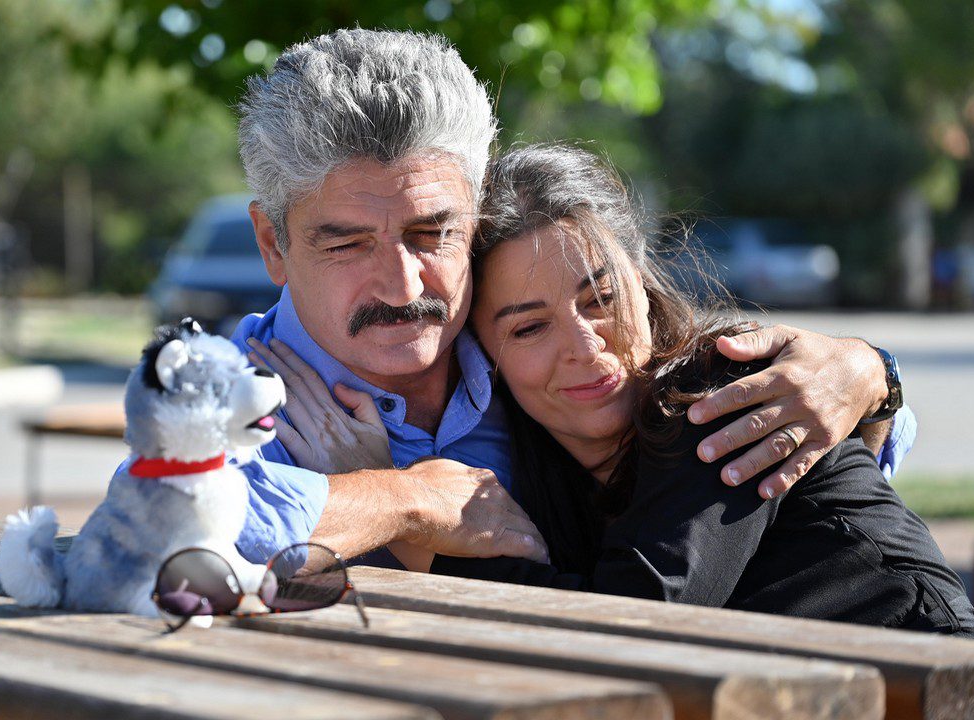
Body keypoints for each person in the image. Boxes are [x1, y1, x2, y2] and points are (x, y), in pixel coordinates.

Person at [225, 28, 915, 569]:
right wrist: (403, 498)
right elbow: (185, 533)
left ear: (477, 220)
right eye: (346, 245)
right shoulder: (220, 399)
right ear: (271, 244)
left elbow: (784, 435)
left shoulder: (527, 354)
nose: (403, 286)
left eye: (433, 234)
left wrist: (867, 374)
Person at [358, 143, 974, 639]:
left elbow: (640, 619)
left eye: (600, 299)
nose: (583, 346)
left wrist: (426, 543)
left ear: (643, 284)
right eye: (528, 328)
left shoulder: (725, 393)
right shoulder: (541, 465)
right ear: (486, 355)